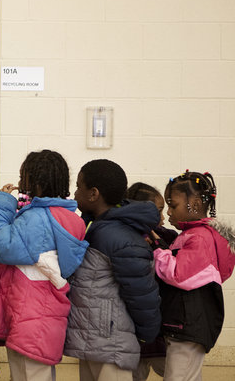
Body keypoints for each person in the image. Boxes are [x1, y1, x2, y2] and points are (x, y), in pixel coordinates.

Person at [0, 149, 88, 381]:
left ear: (36, 184)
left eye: (23, 177)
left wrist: (1, 203)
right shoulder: (66, 217)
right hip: (42, 317)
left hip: (30, 320)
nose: (20, 182)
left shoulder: (38, 218)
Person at [63, 160, 161, 380]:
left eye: (79, 186)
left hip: (112, 343)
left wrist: (147, 333)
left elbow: (141, 292)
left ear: (93, 193)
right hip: (92, 341)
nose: (75, 192)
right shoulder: (92, 226)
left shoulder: (119, 236)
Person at [153, 171, 235, 381]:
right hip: (184, 324)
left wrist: (157, 250)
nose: (169, 212)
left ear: (196, 204)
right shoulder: (191, 235)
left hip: (189, 326)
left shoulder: (199, 237)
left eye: (173, 205)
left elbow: (178, 275)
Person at [126, 182, 177, 381]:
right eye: (158, 211)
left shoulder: (168, 238)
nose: (163, 217)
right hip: (134, 330)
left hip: (162, 327)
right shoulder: (124, 239)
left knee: (174, 373)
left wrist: (158, 244)